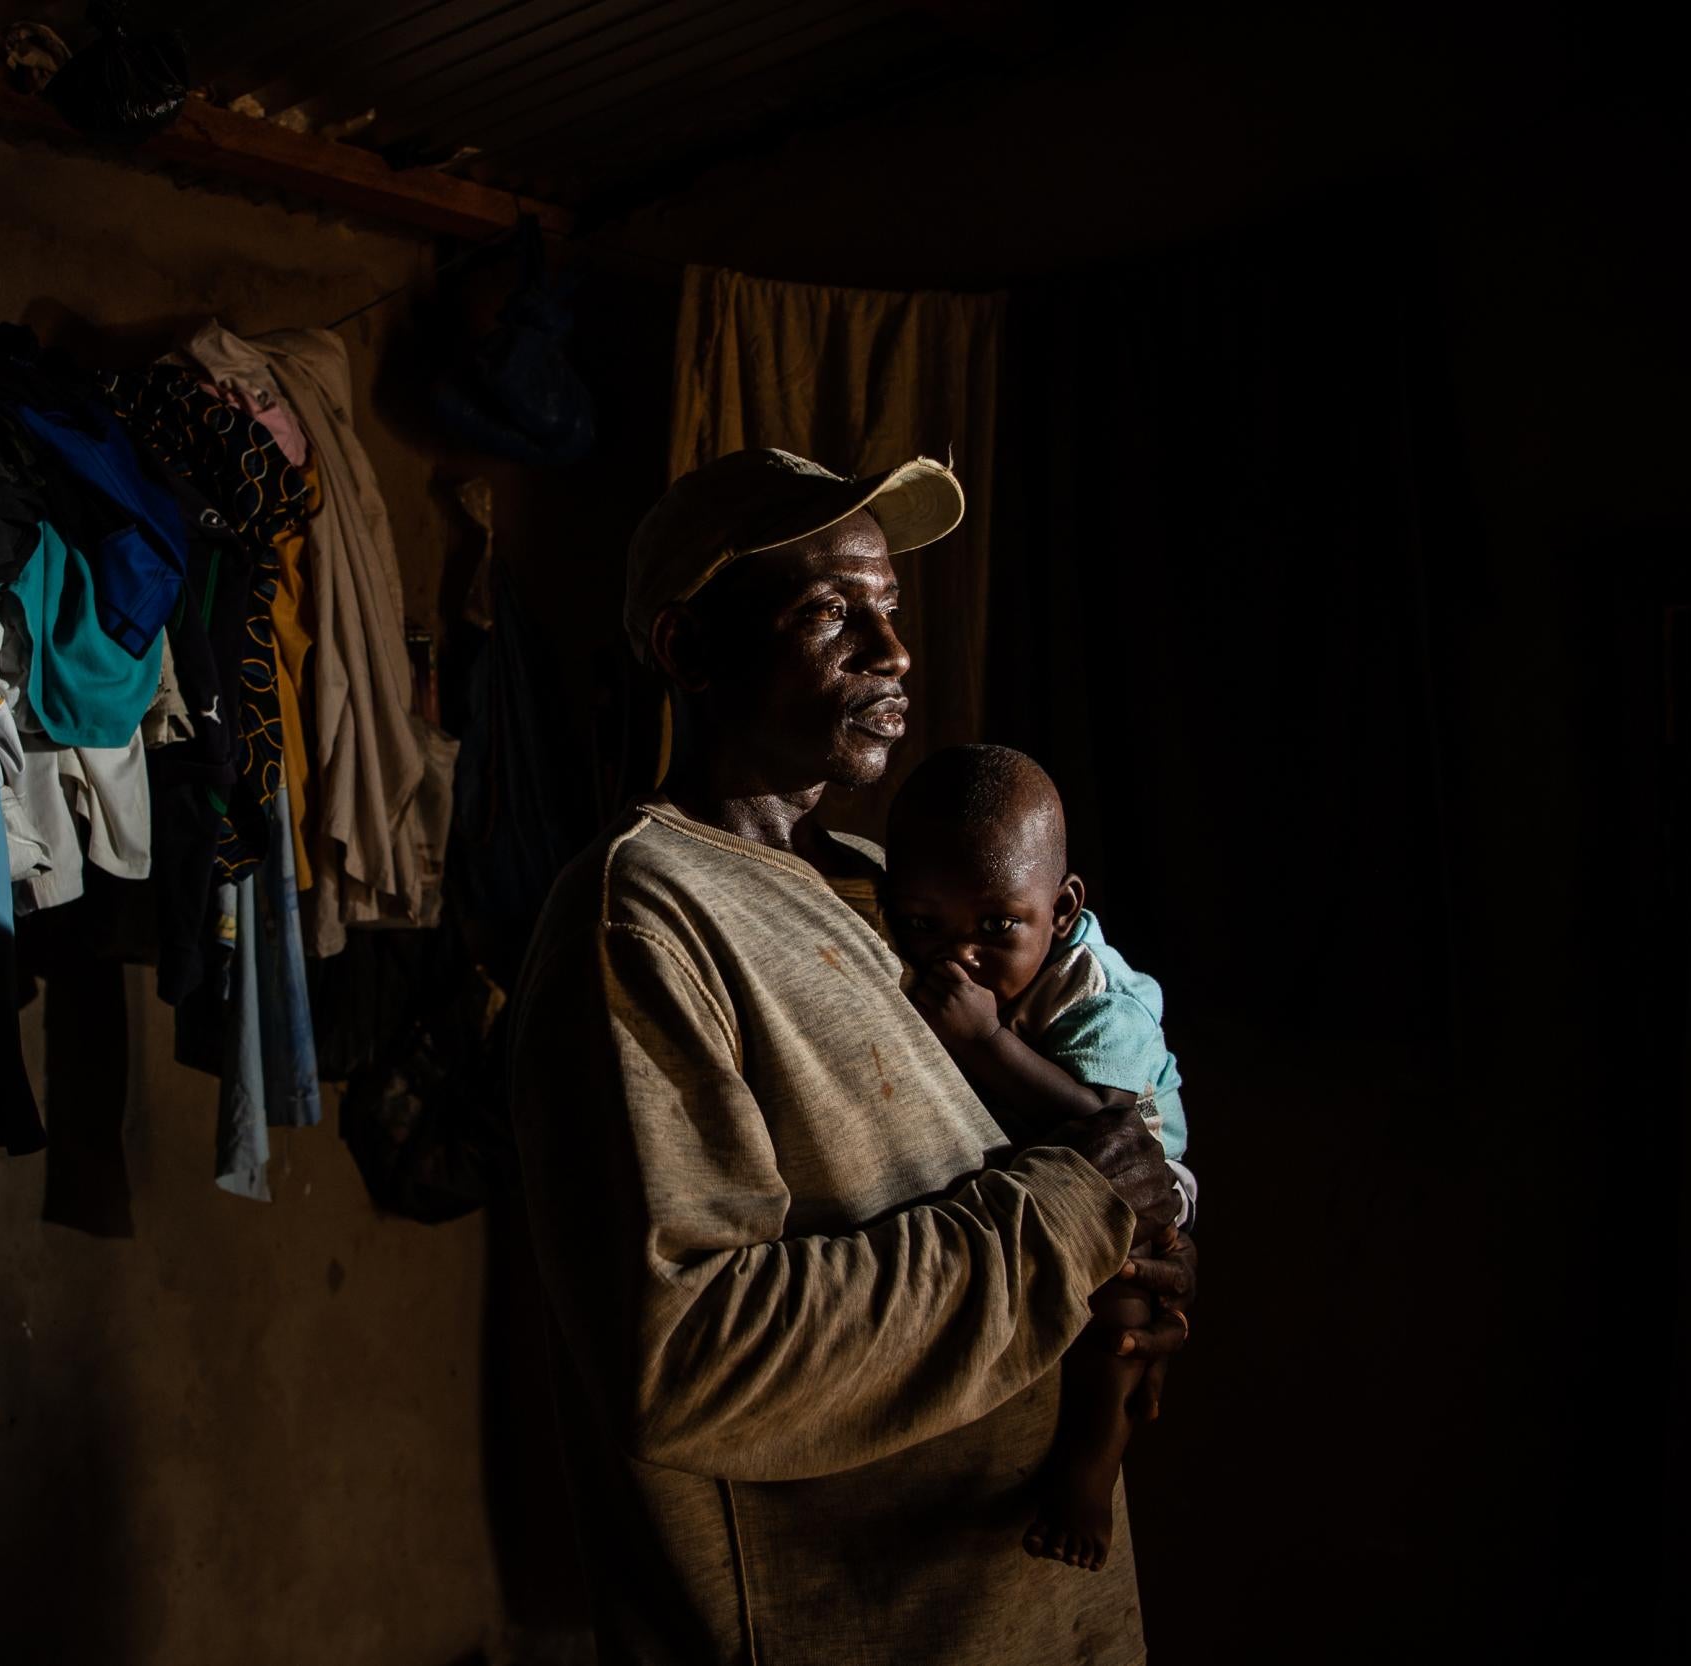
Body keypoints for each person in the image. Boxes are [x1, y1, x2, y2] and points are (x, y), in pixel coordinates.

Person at [506, 448, 1195, 1664]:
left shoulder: (892, 885)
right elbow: (685, 1356)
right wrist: (1073, 1213)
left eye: (889, 608)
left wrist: (1131, 1247)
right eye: (831, 611)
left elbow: (1069, 1166)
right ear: (686, 649)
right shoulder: (645, 914)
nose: (893, 651)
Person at [883, 742, 1195, 1575]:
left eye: (996, 927)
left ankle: (1091, 1470)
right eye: (921, 924)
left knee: (1122, 1302)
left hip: (1150, 1171)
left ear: (1061, 910)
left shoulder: (1099, 1000)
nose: (958, 958)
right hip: (1047, 1148)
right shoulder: (960, 961)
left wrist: (981, 1038)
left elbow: (1111, 1137)